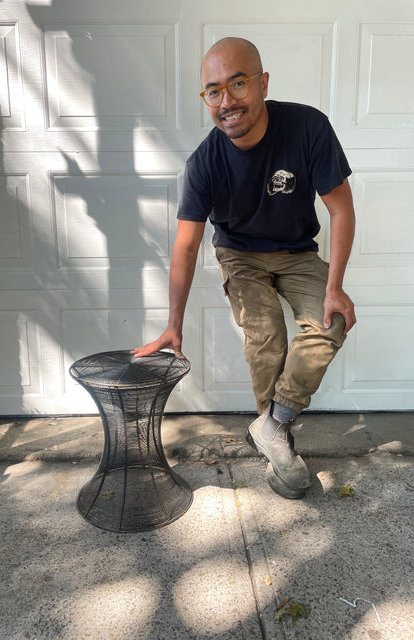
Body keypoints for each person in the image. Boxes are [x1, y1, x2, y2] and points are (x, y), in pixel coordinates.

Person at [132, 37, 356, 500]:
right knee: (267, 339)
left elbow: (341, 210)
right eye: (213, 91)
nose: (227, 101)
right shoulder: (205, 163)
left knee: (330, 322)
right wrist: (173, 325)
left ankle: (272, 426)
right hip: (240, 254)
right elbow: (187, 246)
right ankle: (282, 447)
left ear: (262, 83)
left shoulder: (308, 127)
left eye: (238, 84)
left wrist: (335, 286)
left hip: (297, 251)